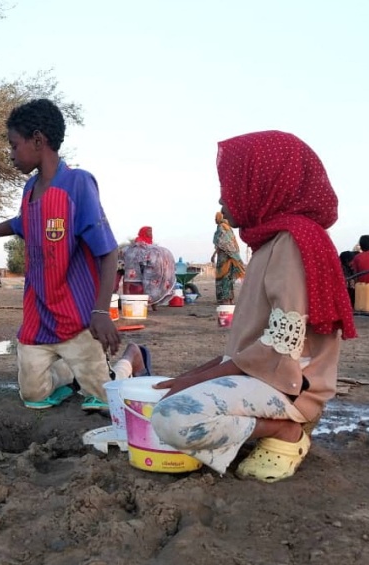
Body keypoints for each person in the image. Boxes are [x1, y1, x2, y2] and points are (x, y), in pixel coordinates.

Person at [149, 130, 356, 483]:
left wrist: (197, 379)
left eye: (231, 183)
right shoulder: (273, 240)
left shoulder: (292, 241)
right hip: (268, 379)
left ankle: (284, 430)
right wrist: (194, 375)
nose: (221, 196)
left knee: (171, 418)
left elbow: (281, 344)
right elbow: (252, 345)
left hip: (288, 389)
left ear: (264, 183)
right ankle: (266, 428)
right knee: (174, 398)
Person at [0, 98, 130, 411]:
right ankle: (66, 372)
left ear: (37, 140)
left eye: (14, 145)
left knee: (103, 400)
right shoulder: (30, 188)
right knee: (33, 396)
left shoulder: (77, 184)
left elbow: (109, 251)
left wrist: (101, 312)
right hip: (39, 320)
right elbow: (21, 223)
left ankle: (131, 360)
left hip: (78, 320)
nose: (11, 155)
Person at [121, 226, 176, 308]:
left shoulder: (152, 245)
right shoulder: (138, 243)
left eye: (151, 231)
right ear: (143, 232)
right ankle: (127, 302)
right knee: (130, 281)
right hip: (135, 265)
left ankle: (154, 303)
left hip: (150, 266)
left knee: (154, 284)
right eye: (148, 231)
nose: (150, 233)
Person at [211, 211, 246, 304]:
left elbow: (221, 242)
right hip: (230, 257)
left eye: (216, 217)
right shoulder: (228, 228)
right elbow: (228, 243)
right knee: (228, 278)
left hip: (224, 258)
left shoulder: (221, 227)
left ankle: (225, 299)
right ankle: (230, 299)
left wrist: (214, 254)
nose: (215, 219)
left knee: (223, 278)